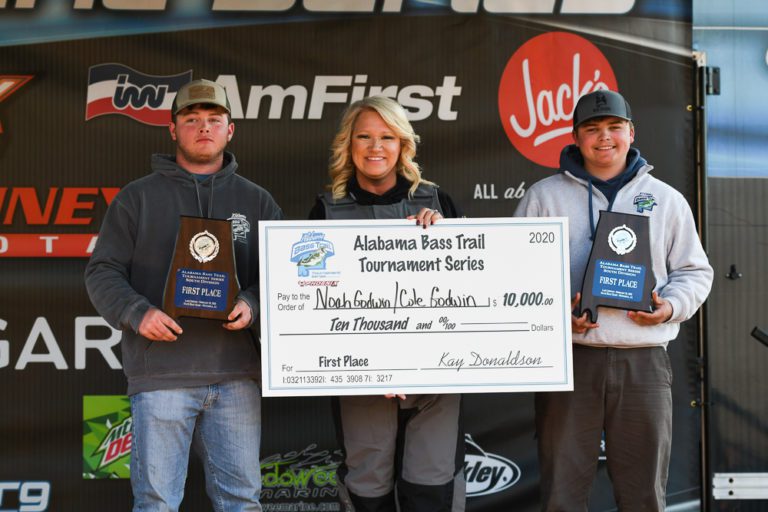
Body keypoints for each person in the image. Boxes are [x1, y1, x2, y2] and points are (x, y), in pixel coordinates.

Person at [85, 79, 283, 512]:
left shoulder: (258, 201)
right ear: (172, 130)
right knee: (156, 502)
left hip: (236, 375)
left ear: (231, 130)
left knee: (243, 501)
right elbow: (102, 271)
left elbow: (283, 276)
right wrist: (138, 314)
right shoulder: (136, 198)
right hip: (161, 376)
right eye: (191, 120)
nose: (204, 128)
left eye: (214, 120)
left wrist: (252, 302)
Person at [514, 90, 713, 511]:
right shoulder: (543, 197)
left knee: (643, 493)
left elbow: (696, 272)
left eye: (613, 128)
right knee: (561, 492)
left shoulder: (665, 198)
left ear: (630, 132)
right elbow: (517, 278)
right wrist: (558, 316)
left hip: (643, 359)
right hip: (570, 357)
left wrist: (670, 306)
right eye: (592, 129)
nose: (604, 138)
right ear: (575, 137)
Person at [308, 95, 465, 512]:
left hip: (435, 380)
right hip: (361, 380)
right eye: (365, 136)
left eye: (387, 137)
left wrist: (447, 237)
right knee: (368, 492)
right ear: (348, 144)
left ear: (402, 145)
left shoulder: (437, 203)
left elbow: (472, 289)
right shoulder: (326, 211)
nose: (376, 147)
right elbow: (307, 302)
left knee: (431, 490)